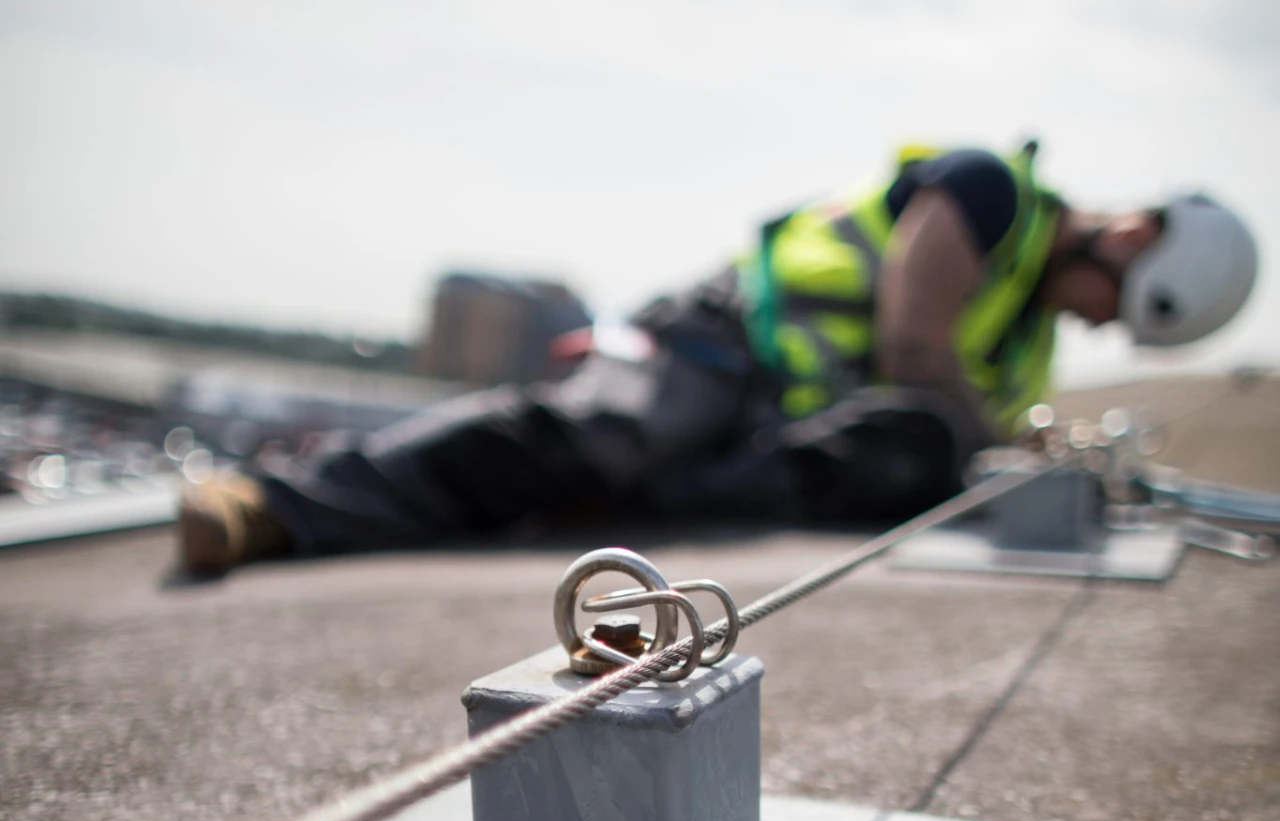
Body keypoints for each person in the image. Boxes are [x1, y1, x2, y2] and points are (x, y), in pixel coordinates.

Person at [177, 141, 1258, 573]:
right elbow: (912, 343)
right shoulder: (986, 197)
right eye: (1110, 303)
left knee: (918, 446)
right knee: (602, 434)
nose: (1097, 323)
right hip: (722, 338)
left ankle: (651, 490)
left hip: (775, 427)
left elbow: (954, 420)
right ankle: (277, 505)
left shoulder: (1030, 329)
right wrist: (984, 435)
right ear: (1126, 240)